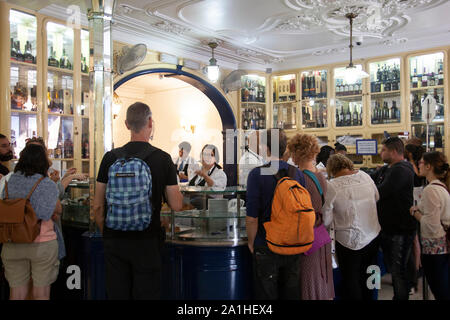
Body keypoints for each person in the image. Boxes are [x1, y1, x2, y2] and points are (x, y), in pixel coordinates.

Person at [94, 102, 183, 300]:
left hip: (115, 240)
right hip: (147, 241)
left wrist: (107, 234)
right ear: (150, 122)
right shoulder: (163, 158)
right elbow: (176, 204)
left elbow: (98, 205)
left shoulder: (110, 158)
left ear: (126, 124)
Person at [246, 129, 306, 299]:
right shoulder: (298, 174)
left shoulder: (256, 174)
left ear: (265, 148)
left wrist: (252, 242)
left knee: (266, 295)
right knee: (291, 294)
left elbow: (252, 217)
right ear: (285, 148)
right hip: (294, 243)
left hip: (266, 244)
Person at [0, 144, 61, 300]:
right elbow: (45, 213)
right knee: (41, 292)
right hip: (41, 244)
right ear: (43, 161)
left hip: (11, 241)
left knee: (17, 292)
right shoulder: (46, 183)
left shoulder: (9, 180)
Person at [322, 154, 381, 300]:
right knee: (371, 272)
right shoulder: (365, 176)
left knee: (351, 279)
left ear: (331, 170)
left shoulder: (332, 186)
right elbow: (377, 197)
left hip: (348, 241)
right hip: (372, 234)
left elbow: (326, 218)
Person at [287, 133, 335, 300]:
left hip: (306, 237)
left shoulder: (299, 177)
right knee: (321, 281)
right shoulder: (320, 175)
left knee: (308, 283)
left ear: (297, 153)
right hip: (320, 235)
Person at [371, 137, 416, 300]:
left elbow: (380, 191)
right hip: (388, 228)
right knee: (393, 268)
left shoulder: (402, 169)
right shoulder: (387, 169)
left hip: (400, 229)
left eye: (383, 150)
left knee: (398, 271)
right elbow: (371, 180)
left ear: (394, 152)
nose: (380, 152)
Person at [409, 151, 450, 300]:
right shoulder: (441, 187)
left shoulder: (431, 190)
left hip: (435, 248)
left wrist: (415, 213)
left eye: (420, 163)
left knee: (440, 289)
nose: (418, 165)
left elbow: (431, 224)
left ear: (428, 166)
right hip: (442, 246)